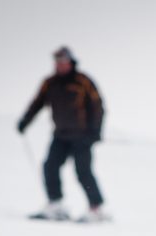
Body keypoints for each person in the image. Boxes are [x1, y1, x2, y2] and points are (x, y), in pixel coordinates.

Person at [18, 46, 107, 223]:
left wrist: (95, 132)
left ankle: (96, 208)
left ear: (71, 62)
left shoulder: (83, 81)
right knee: (50, 166)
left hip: (82, 136)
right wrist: (25, 121)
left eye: (63, 62)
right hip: (60, 135)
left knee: (83, 171)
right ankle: (55, 204)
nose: (60, 65)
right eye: (57, 62)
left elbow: (98, 107)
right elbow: (37, 103)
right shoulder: (50, 83)